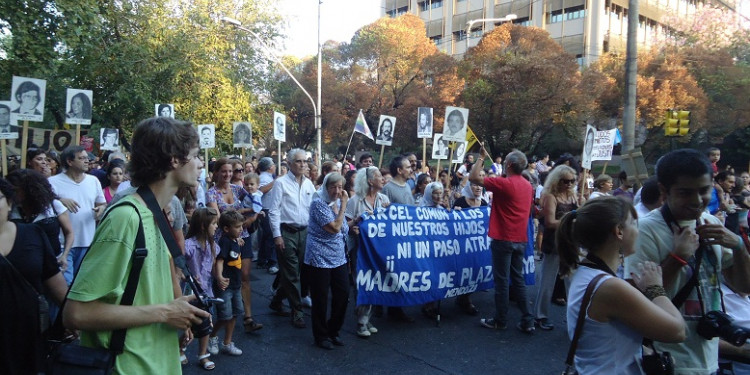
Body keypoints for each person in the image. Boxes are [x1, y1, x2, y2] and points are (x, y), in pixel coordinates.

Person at [63, 116, 210, 373]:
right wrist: (165, 312)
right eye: (196, 155)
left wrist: (178, 307)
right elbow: (76, 314)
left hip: (158, 363)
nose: (201, 164)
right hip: (127, 366)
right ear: (174, 159)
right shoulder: (125, 217)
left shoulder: (156, 211)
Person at [624, 148, 750, 375]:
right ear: (664, 190)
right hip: (669, 360)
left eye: (704, 190)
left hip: (710, 358)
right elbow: (637, 303)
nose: (697, 200)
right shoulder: (645, 231)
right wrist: (679, 257)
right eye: (685, 193)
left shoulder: (711, 222)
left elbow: (743, 286)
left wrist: (739, 246)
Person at [558, 197, 686, 374]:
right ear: (619, 231)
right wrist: (655, 288)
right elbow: (677, 331)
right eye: (633, 223)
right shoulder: (610, 287)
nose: (638, 231)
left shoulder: (584, 271)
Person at [0, 177, 68, 375]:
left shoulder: (33, 234)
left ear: (10, 202)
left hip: (30, 337)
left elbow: (54, 282)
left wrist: (71, 316)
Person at [470, 150, 535, 332]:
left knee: (502, 281)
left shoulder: (504, 183)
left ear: (509, 165)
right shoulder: (527, 185)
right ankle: (528, 320)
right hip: (520, 238)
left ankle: (500, 320)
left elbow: (474, 177)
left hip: (503, 238)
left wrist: (481, 157)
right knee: (518, 279)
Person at [266, 149, 317, 328]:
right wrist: (277, 236)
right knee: (292, 273)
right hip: (286, 232)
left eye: (305, 161)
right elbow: (274, 211)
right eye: (298, 161)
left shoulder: (309, 184)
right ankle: (297, 311)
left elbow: (314, 208)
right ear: (289, 163)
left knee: (296, 272)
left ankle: (277, 299)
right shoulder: (280, 183)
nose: (303, 164)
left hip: (305, 232)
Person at [304, 173, 350, 349]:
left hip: (338, 257)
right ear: (326, 187)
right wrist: (344, 203)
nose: (337, 191)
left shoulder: (336, 204)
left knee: (343, 294)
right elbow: (335, 228)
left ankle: (333, 330)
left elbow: (344, 228)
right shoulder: (318, 204)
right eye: (333, 187)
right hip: (319, 257)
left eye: (340, 187)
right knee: (321, 298)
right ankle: (321, 335)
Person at [49, 146, 107, 284]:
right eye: (82, 158)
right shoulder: (53, 182)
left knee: (81, 285)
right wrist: (59, 200)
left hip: (88, 242)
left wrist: (101, 209)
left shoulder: (93, 181)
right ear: (69, 162)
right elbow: (44, 205)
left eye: (87, 158)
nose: (87, 161)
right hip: (63, 245)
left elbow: (102, 204)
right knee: (64, 287)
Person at [533, 165, 582, 330]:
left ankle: (574, 317)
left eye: (572, 181)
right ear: (557, 180)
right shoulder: (551, 197)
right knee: (548, 281)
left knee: (573, 282)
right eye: (565, 181)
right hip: (554, 243)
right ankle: (540, 316)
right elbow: (549, 222)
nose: (569, 184)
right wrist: (570, 220)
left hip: (571, 243)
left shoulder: (574, 197)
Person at [346, 166, 389, 337]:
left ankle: (365, 318)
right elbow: (346, 224)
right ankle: (361, 322)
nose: (383, 178)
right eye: (379, 176)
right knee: (361, 283)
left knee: (374, 282)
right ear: (370, 181)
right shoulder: (355, 201)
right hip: (359, 250)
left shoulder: (384, 199)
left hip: (378, 250)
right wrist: (354, 228)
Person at [184, 207, 220, 370]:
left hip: (206, 291)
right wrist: (188, 275)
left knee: (206, 325)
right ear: (203, 226)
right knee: (191, 325)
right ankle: (180, 348)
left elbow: (213, 268)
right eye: (214, 223)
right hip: (191, 293)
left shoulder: (213, 246)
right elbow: (179, 268)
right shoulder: (188, 246)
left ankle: (203, 355)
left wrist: (219, 277)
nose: (216, 226)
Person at [381, 155, 416, 322]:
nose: (411, 169)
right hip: (395, 239)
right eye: (408, 167)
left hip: (407, 235)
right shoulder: (388, 189)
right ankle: (392, 308)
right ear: (399, 170)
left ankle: (397, 306)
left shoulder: (408, 186)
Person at [207, 210, 246, 357]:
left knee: (235, 313)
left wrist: (239, 239)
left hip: (236, 285)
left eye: (241, 226)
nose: (241, 229)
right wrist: (219, 277)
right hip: (226, 286)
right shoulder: (224, 241)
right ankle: (212, 336)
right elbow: (220, 261)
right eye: (238, 227)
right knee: (224, 315)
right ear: (226, 229)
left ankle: (227, 343)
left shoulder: (236, 239)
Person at [239, 172, 264, 332]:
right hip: (226, 238)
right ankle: (226, 315)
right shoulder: (241, 191)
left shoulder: (244, 192)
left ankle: (248, 317)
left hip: (244, 235)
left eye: (239, 170)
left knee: (245, 275)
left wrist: (254, 216)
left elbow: (257, 206)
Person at [256, 157, 279, 273]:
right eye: (273, 165)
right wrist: (276, 181)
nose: (275, 167)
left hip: (269, 209)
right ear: (270, 167)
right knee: (270, 235)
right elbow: (261, 190)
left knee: (267, 236)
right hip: (266, 210)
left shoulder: (268, 177)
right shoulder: (264, 178)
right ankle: (270, 262)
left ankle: (262, 259)